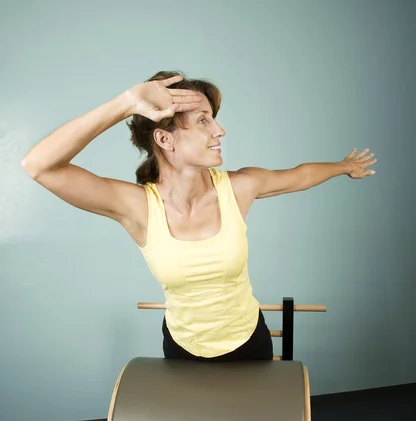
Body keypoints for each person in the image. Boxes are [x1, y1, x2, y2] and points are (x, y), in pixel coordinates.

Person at [21, 71, 377, 362]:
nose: (219, 131)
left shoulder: (239, 188)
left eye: (214, 120)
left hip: (249, 344)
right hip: (182, 349)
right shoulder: (138, 207)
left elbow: (300, 175)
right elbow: (38, 165)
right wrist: (126, 103)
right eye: (204, 121)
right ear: (164, 138)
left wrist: (345, 166)